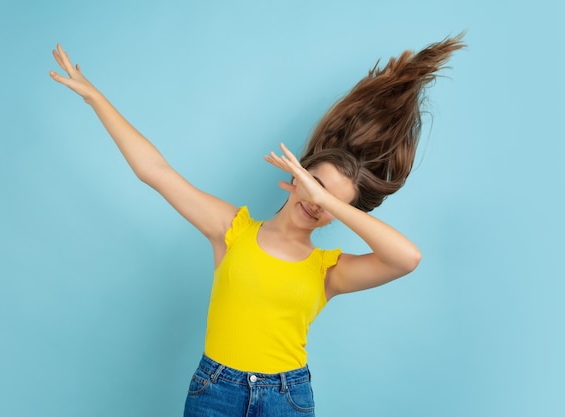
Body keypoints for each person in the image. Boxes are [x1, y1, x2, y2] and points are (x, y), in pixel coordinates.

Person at [50, 34, 464, 417]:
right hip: (215, 392)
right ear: (298, 172)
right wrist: (95, 99)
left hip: (288, 397)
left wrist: (324, 198)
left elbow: (407, 258)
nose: (316, 204)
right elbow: (155, 171)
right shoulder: (233, 229)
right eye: (314, 184)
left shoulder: (330, 271)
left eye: (332, 204)